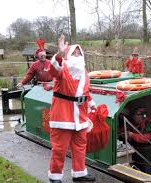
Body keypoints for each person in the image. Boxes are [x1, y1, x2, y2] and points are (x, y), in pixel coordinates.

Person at [48, 35, 96, 183]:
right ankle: (55, 176)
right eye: (73, 53)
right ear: (68, 55)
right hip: (63, 115)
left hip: (80, 115)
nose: (77, 55)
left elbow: (85, 92)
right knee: (59, 148)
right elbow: (54, 69)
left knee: (80, 146)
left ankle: (79, 173)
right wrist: (59, 54)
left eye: (79, 53)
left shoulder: (84, 73)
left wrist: (91, 103)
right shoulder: (62, 71)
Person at [126, 108, 151, 174]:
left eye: (136, 115)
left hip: (147, 156)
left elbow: (146, 139)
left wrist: (132, 135)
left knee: (148, 172)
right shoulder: (136, 124)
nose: (134, 117)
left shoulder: (148, 124)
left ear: (142, 116)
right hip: (137, 155)